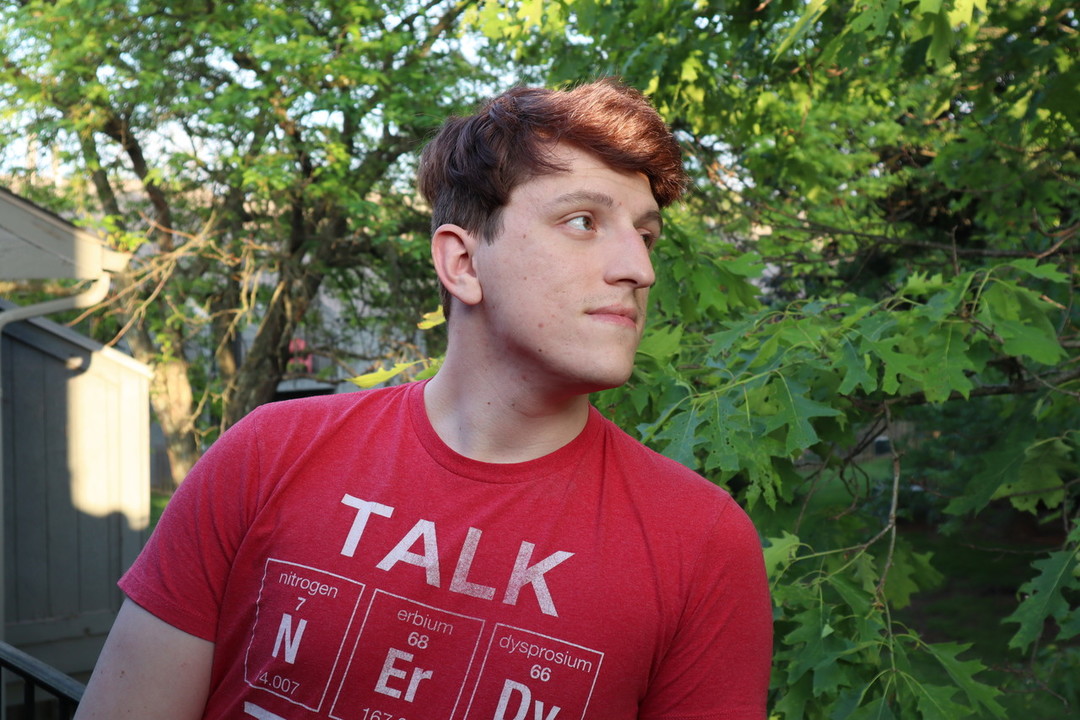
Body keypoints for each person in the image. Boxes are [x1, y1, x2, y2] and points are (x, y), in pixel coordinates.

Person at [74, 78, 772, 720]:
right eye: (584, 221)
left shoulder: (701, 545)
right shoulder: (267, 454)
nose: (639, 268)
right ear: (462, 263)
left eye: (645, 235)